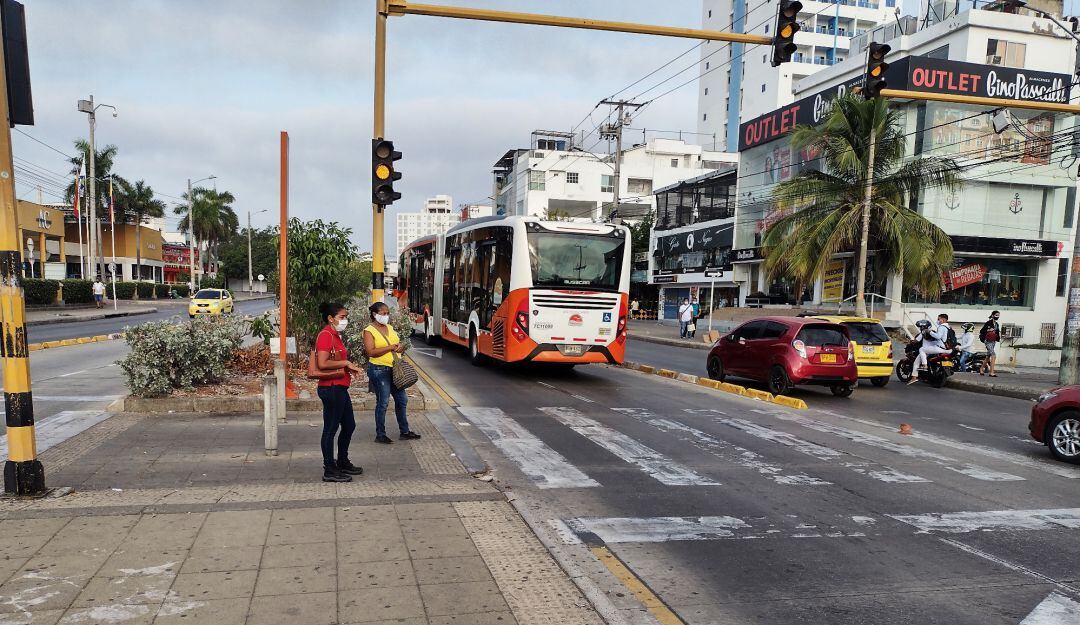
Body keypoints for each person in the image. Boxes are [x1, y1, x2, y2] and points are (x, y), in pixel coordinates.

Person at [315, 302, 365, 483]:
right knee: (330, 429)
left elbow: (335, 359)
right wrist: (345, 364)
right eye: (342, 317)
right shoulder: (326, 335)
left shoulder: (336, 335)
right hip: (331, 388)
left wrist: (347, 366)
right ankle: (329, 469)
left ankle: (342, 461)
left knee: (349, 425)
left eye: (345, 317)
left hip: (340, 386)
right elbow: (322, 363)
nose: (345, 320)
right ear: (331, 318)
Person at [363, 302, 421, 444]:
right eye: (383, 313)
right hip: (379, 369)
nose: (386, 316)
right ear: (374, 314)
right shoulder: (369, 330)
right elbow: (370, 352)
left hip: (395, 369)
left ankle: (405, 431)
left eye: (388, 313)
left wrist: (400, 348)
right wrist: (390, 347)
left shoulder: (390, 328)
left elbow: (397, 345)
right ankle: (380, 434)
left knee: (402, 400)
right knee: (383, 402)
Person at [910, 313, 951, 385]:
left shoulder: (926, 331)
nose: (938, 321)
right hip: (941, 349)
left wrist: (911, 341)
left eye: (939, 319)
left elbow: (917, 340)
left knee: (919, 356)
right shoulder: (946, 328)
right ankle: (919, 375)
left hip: (932, 350)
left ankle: (920, 371)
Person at [979, 310, 1001, 377]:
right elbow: (982, 331)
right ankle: (991, 372)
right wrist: (988, 330)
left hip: (993, 341)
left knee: (988, 356)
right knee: (993, 355)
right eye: (996, 315)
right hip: (988, 341)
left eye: (998, 315)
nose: (997, 317)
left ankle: (981, 369)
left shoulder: (997, 324)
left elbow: (997, 333)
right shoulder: (988, 323)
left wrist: (998, 338)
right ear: (992, 315)